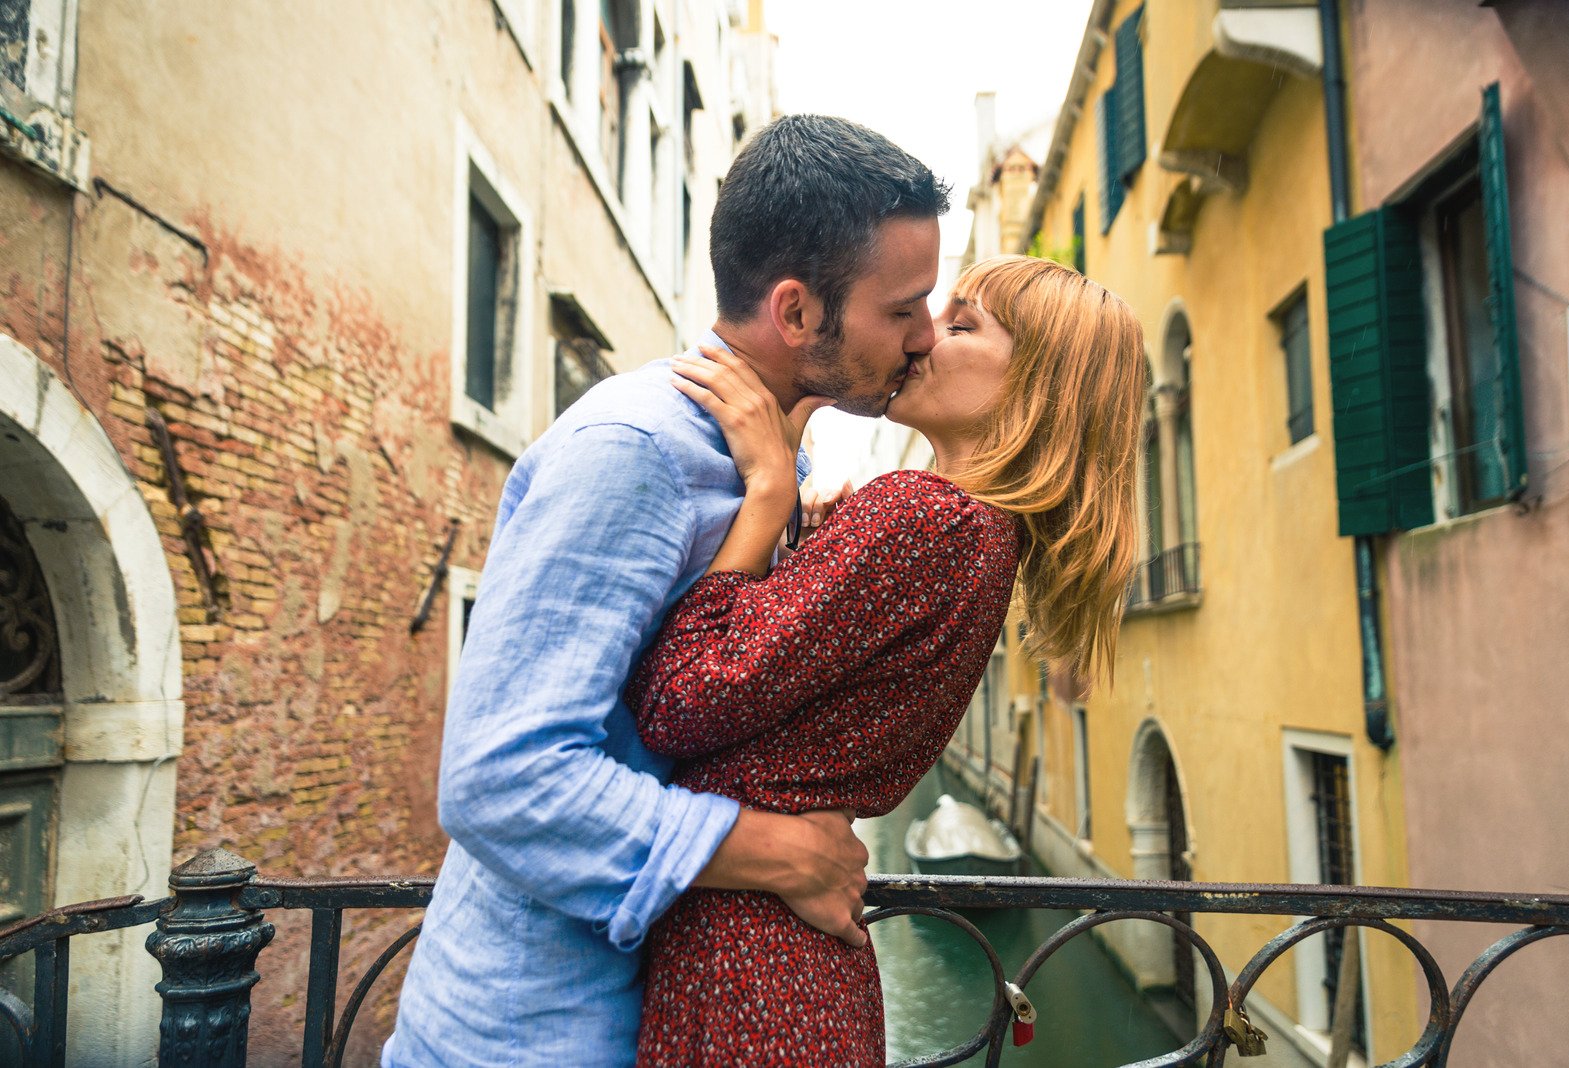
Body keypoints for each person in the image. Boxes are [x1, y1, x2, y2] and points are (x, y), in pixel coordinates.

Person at [382, 115, 949, 1067]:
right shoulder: (635, 452)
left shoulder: (776, 463)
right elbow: (499, 777)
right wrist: (777, 851)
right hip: (532, 1035)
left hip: (666, 1012)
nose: (926, 336)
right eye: (904, 309)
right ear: (798, 312)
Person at [626, 254, 1147, 1065]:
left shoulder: (920, 514)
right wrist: (817, 548)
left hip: (748, 968)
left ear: (1036, 387)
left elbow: (680, 700)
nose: (927, 335)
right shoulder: (982, 536)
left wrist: (767, 490)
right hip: (796, 961)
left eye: (965, 324)